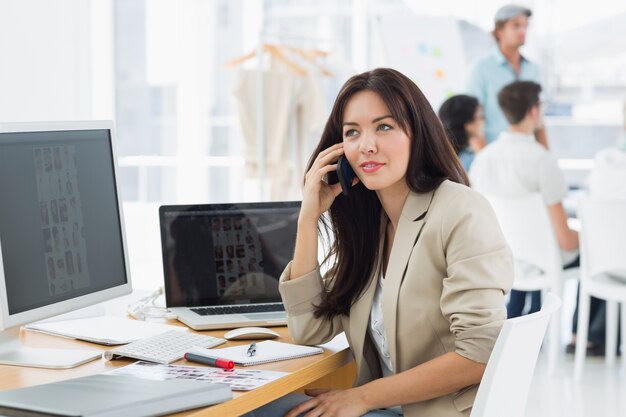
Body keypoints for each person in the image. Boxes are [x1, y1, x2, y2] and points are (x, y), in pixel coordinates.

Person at [246, 68, 513, 417]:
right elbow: (309, 329)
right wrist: (308, 218)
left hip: (435, 412)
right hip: (386, 408)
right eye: (352, 132)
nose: (366, 145)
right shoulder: (371, 224)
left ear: (417, 133)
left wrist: (364, 397)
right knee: (252, 408)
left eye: (384, 127)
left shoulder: (460, 210)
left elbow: (480, 352)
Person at [469, 80, 579, 319]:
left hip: (502, 259)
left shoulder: (484, 159)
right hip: (543, 262)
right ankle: (586, 338)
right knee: (594, 253)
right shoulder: (542, 161)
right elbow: (567, 241)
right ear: (533, 111)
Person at [465, 4, 549, 148]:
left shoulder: (533, 69)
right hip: (493, 154)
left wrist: (547, 157)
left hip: (527, 154)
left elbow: (539, 120)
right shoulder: (481, 69)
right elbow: (470, 120)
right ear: (499, 32)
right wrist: (486, 160)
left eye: (525, 25)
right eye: (516, 25)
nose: (523, 31)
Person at [438, 95, 486, 171]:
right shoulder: (469, 160)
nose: (484, 121)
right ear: (467, 124)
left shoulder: (441, 157)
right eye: (481, 117)